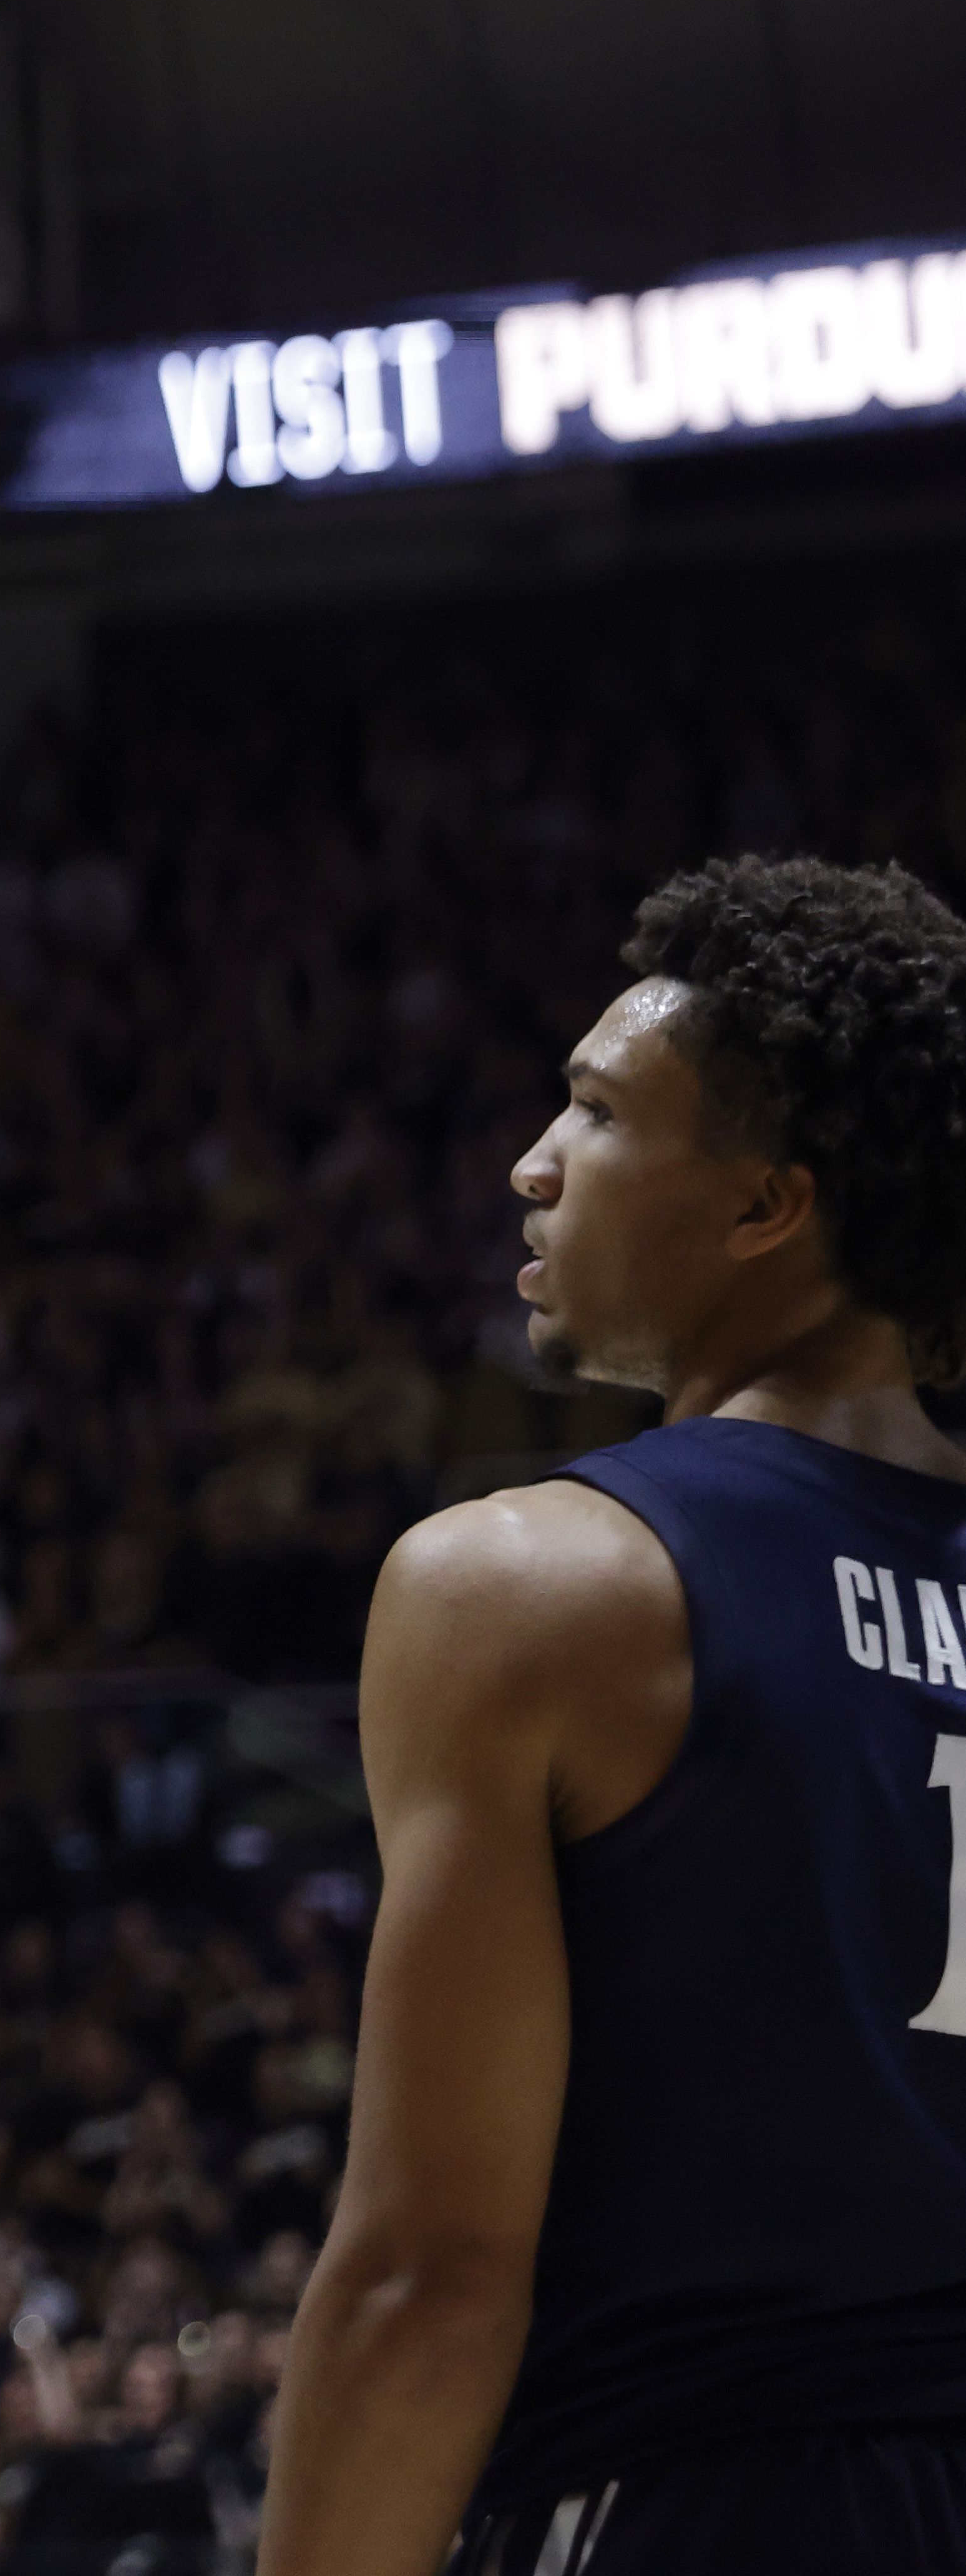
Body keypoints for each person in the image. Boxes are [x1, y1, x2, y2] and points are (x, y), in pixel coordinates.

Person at [262, 856, 966, 2572]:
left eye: (590, 1108)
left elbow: (431, 2276)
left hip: (711, 2504)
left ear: (761, 1208)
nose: (530, 1160)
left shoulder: (535, 1587)